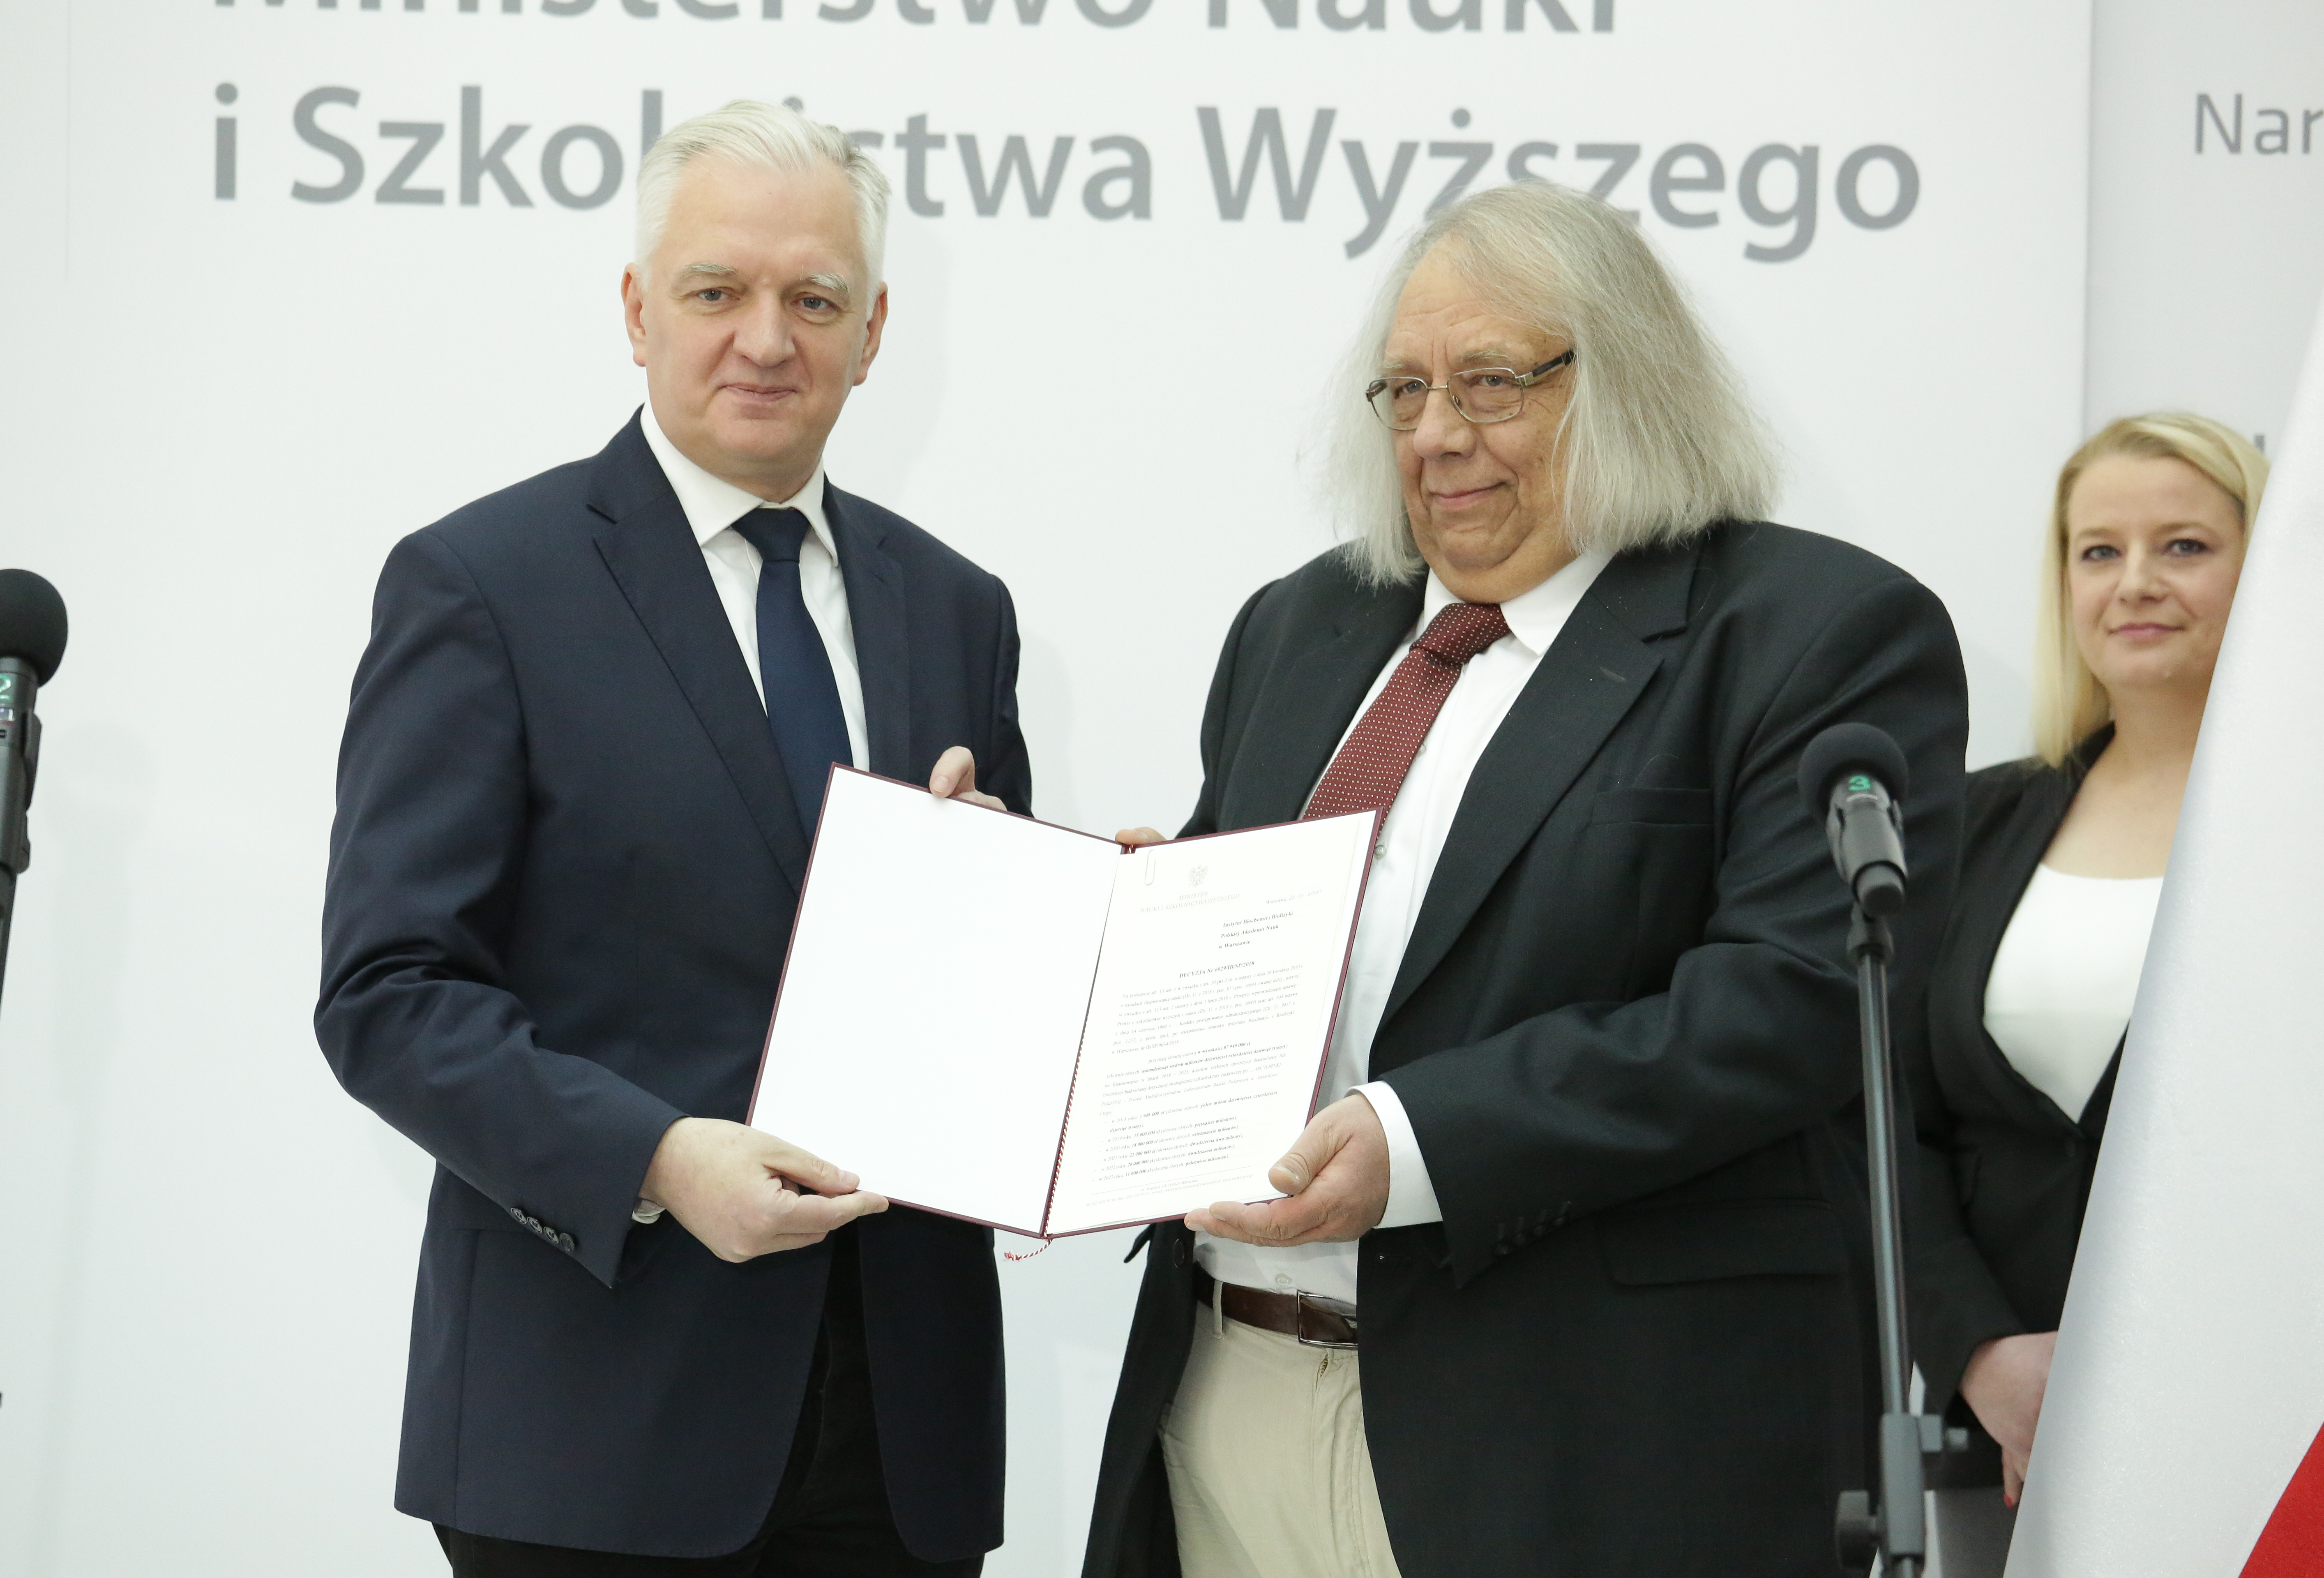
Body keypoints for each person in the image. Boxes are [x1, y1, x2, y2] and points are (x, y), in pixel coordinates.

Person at [1080, 179, 1969, 1578]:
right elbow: (1249, 939)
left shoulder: (1817, 632)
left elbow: (1790, 1005)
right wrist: (1098, 922)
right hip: (1227, 1394)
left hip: (1584, 1435)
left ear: (1628, 383)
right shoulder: (1300, 626)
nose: (1436, 435)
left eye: (1491, 383)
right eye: (1407, 390)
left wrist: (1419, 1144)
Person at [316, 100, 1028, 1576]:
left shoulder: (959, 607)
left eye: (813, 300)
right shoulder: (482, 585)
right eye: (717, 292)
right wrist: (655, 1158)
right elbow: (389, 995)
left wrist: (1035, 911)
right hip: (596, 1433)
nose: (766, 339)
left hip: (901, 1439)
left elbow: (985, 1023)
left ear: (874, 331)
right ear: (639, 312)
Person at [1906, 413, 2265, 1572]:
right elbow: (1886, 1124)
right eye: (2099, 550)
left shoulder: (2298, 832)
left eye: (2185, 546)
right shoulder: (1975, 821)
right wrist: (1980, 1352)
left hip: (2260, 1414)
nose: (2136, 582)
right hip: (2005, 1434)